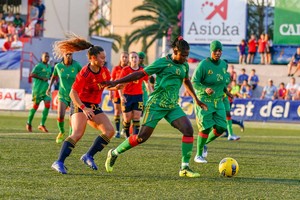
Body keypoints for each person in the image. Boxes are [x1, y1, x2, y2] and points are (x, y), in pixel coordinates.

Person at [104, 36, 208, 178]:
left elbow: (186, 80)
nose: (186, 58)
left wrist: (196, 99)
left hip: (172, 105)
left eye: (187, 55)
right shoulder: (162, 62)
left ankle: (184, 167)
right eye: (183, 55)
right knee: (141, 137)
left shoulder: (184, 65)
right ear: (175, 51)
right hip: (156, 104)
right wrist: (117, 81)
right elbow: (140, 73)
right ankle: (114, 152)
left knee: (188, 130)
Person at [51, 35, 115, 174]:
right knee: (77, 133)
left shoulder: (104, 71)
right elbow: (72, 93)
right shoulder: (85, 73)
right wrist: (83, 108)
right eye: (102, 58)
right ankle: (59, 162)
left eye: (104, 57)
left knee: (110, 131)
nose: (104, 60)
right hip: (80, 104)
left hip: (93, 105)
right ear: (92, 58)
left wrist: (117, 86)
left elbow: (106, 85)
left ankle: (88, 155)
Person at [191, 40, 232, 164]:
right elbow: (194, 81)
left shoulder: (224, 65)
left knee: (221, 127)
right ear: (211, 51)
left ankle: (204, 143)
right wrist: (204, 89)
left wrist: (228, 92)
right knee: (205, 128)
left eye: (219, 50)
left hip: (218, 100)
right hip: (204, 100)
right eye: (215, 51)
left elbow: (222, 83)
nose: (218, 53)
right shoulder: (204, 64)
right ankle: (198, 155)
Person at [46, 51, 82, 144]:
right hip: (62, 95)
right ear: (63, 55)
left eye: (71, 54)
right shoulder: (58, 66)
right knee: (60, 115)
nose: (69, 56)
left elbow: (83, 77)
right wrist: (49, 88)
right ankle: (61, 132)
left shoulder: (77, 65)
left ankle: (70, 135)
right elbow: (53, 77)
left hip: (74, 95)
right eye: (67, 54)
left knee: (72, 117)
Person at [118, 51, 152, 137]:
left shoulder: (142, 71)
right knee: (127, 119)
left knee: (137, 117)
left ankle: (135, 137)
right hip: (127, 96)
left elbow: (147, 83)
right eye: (132, 57)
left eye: (135, 57)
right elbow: (119, 85)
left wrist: (151, 94)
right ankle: (127, 135)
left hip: (138, 96)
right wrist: (121, 96)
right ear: (129, 60)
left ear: (138, 59)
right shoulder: (125, 70)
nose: (134, 59)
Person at [26, 52, 52, 132]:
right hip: (38, 90)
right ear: (42, 57)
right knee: (35, 107)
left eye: (48, 56)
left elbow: (49, 77)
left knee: (47, 105)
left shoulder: (49, 67)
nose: (47, 58)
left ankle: (42, 124)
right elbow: (32, 74)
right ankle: (28, 123)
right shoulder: (39, 65)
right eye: (45, 56)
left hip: (45, 90)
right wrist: (41, 78)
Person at [110, 52, 129, 138]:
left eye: (126, 57)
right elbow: (112, 80)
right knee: (117, 111)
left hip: (127, 93)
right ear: (120, 58)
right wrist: (111, 92)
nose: (124, 59)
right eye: (123, 57)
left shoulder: (129, 69)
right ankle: (117, 131)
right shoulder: (116, 68)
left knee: (126, 114)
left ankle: (124, 129)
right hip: (117, 94)